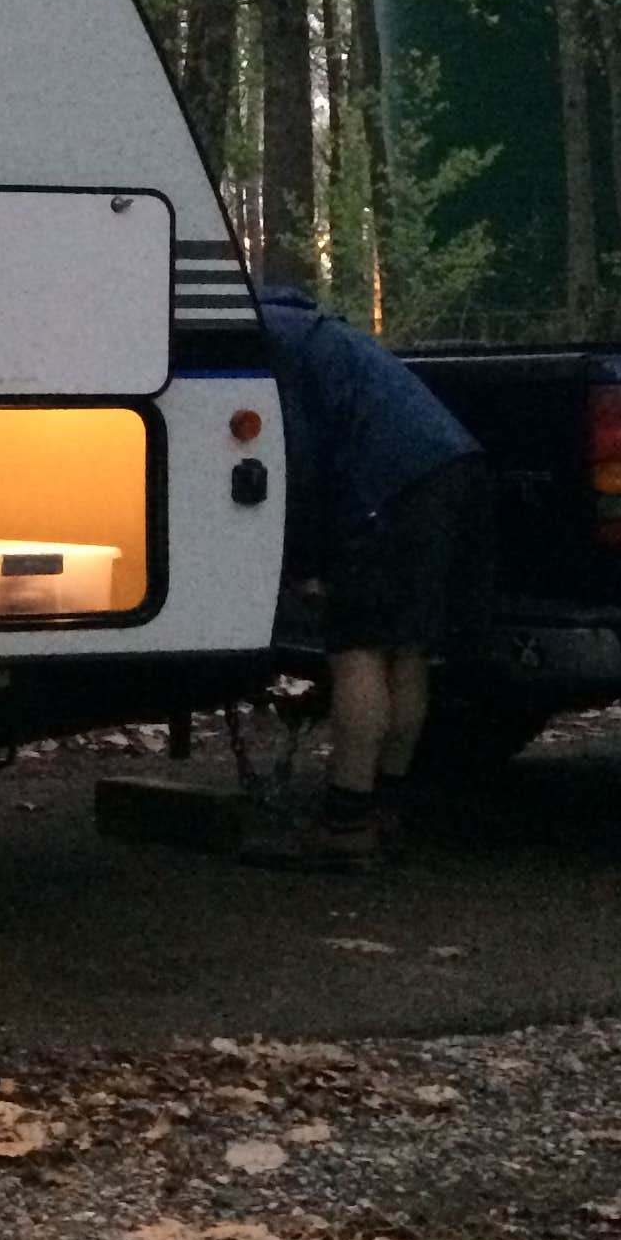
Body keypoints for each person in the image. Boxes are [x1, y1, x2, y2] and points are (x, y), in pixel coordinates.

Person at [249, 282, 495, 868]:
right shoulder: (314, 331)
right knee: (405, 647)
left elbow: (297, 458)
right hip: (451, 466)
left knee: (357, 647)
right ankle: (387, 807)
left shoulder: (264, 344)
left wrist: (307, 563)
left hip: (388, 483)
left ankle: (347, 824)